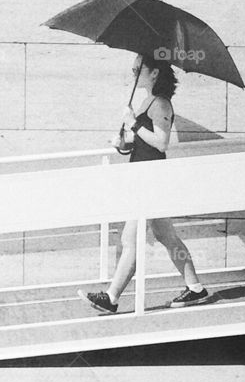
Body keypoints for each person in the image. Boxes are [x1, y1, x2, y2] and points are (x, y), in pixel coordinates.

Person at [79, 52, 210, 313]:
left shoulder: (161, 104)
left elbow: (161, 143)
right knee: (165, 234)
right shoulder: (146, 102)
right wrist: (124, 142)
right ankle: (196, 288)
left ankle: (112, 298)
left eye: (139, 68)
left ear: (154, 73)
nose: (133, 72)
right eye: (133, 67)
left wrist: (134, 124)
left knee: (131, 238)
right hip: (143, 176)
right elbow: (142, 142)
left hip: (151, 179)